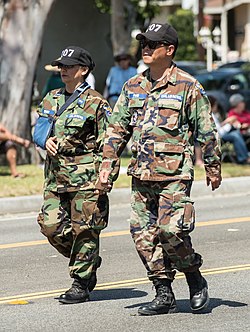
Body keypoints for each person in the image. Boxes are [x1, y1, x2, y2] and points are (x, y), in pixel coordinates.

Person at [98, 22, 222, 315]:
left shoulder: (188, 85)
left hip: (174, 175)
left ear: (169, 49)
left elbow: (206, 130)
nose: (146, 49)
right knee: (142, 235)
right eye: (144, 44)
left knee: (170, 230)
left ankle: (194, 277)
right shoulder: (132, 87)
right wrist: (107, 168)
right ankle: (163, 291)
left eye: (153, 44)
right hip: (141, 175)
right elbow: (116, 131)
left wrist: (213, 167)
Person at [36, 46, 112, 304]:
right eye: (61, 66)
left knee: (85, 230)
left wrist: (105, 176)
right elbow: (39, 131)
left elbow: (108, 144)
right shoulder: (51, 99)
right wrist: (45, 141)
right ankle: (88, 259)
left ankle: (81, 281)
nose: (63, 70)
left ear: (84, 70)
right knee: (50, 226)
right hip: (55, 178)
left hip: (86, 178)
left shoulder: (97, 103)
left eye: (69, 66)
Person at [209, 95, 250, 165]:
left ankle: (245, 156)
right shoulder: (211, 116)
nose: (217, 106)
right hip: (218, 137)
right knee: (235, 135)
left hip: (224, 133)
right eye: (216, 104)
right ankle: (244, 158)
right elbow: (220, 132)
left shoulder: (214, 115)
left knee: (236, 134)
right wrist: (229, 124)